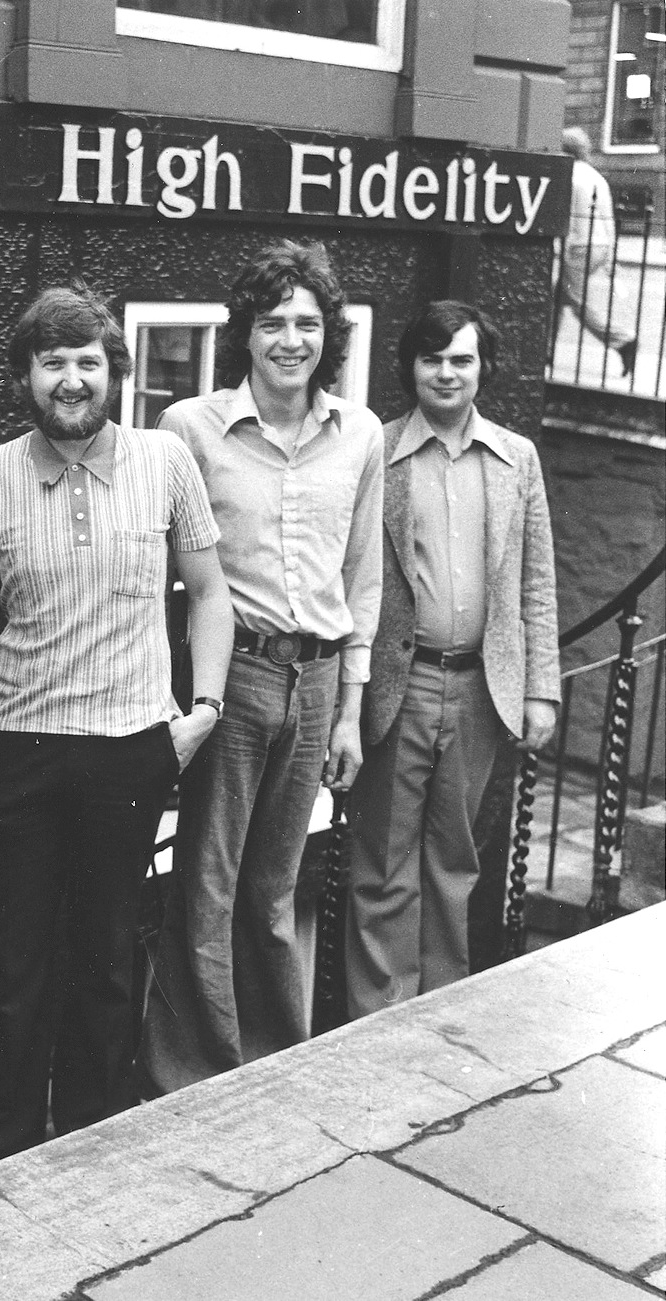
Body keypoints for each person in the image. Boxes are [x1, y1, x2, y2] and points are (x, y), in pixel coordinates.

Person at [0, 285, 233, 1168]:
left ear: (114, 369)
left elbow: (211, 594)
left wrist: (203, 713)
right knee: (16, 962)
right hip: (19, 753)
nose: (70, 380)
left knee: (108, 956)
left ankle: (90, 1136)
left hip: (128, 748)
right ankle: (1, 1142)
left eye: (86, 361)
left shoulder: (165, 461)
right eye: (51, 363)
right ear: (25, 377)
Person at [140, 239, 384, 1096]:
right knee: (204, 880)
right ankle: (192, 1073)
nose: (290, 338)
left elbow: (362, 575)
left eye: (307, 322)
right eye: (273, 321)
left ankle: (274, 1062)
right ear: (245, 332)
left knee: (277, 885)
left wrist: (350, 708)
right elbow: (163, 571)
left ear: (329, 335)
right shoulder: (189, 429)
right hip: (232, 679)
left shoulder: (358, 434)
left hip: (315, 682)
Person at [347, 301, 560, 1017]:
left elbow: (535, 582)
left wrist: (540, 690)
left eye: (460, 359)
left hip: (477, 692)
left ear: (482, 369)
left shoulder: (515, 458)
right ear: (409, 366)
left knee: (453, 862)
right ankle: (376, 1024)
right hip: (396, 686)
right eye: (431, 358)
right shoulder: (375, 451)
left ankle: (437, 1019)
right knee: (383, 864)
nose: (445, 372)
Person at [559, 127, 638, 376]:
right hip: (600, 245)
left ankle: (622, 340)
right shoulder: (596, 176)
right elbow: (608, 218)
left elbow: (567, 220)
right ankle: (544, 349)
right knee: (556, 298)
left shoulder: (568, 176)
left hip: (579, 246)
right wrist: (610, 255)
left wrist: (562, 249)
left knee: (576, 302)